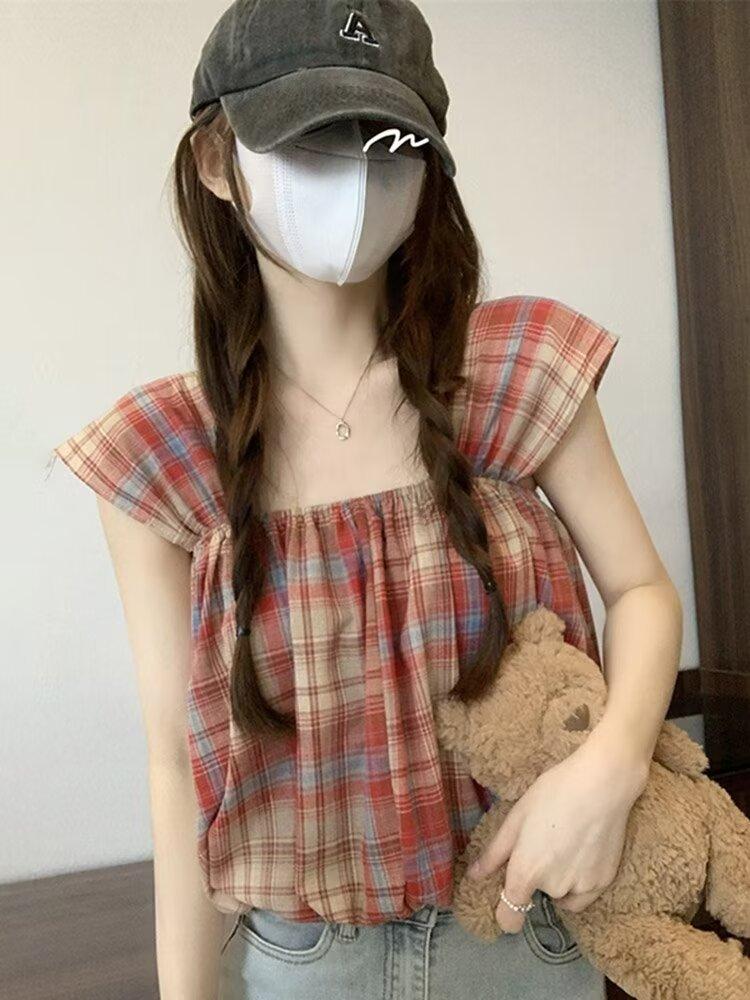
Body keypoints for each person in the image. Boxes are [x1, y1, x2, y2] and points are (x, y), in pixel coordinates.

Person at [52, 1, 683, 998]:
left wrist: (612, 767)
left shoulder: (517, 375)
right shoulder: (165, 455)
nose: (354, 179)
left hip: (529, 925)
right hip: (305, 963)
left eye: (388, 145)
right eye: (311, 141)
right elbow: (177, 763)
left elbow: (642, 589)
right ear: (215, 160)